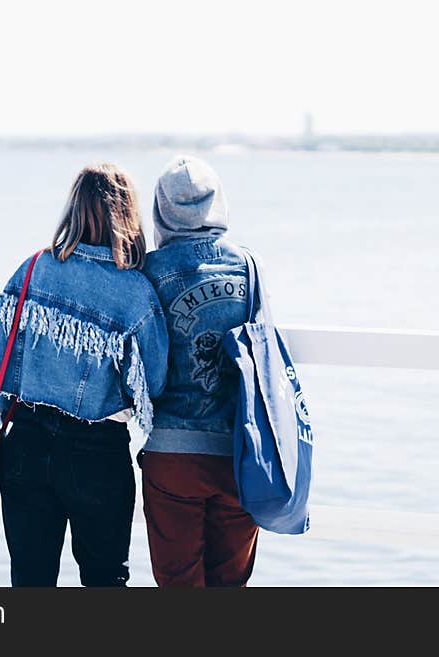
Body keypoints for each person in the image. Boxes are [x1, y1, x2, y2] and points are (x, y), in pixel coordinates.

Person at [0, 163, 169, 587]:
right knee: (104, 581)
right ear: (128, 217)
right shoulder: (135, 294)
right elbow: (152, 387)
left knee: (30, 579)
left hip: (23, 443)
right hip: (96, 452)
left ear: (73, 211)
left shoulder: (32, 270)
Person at [140, 155, 260, 587]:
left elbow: (142, 366)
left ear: (160, 210)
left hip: (172, 455)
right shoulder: (248, 268)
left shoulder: (149, 272)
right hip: (239, 455)